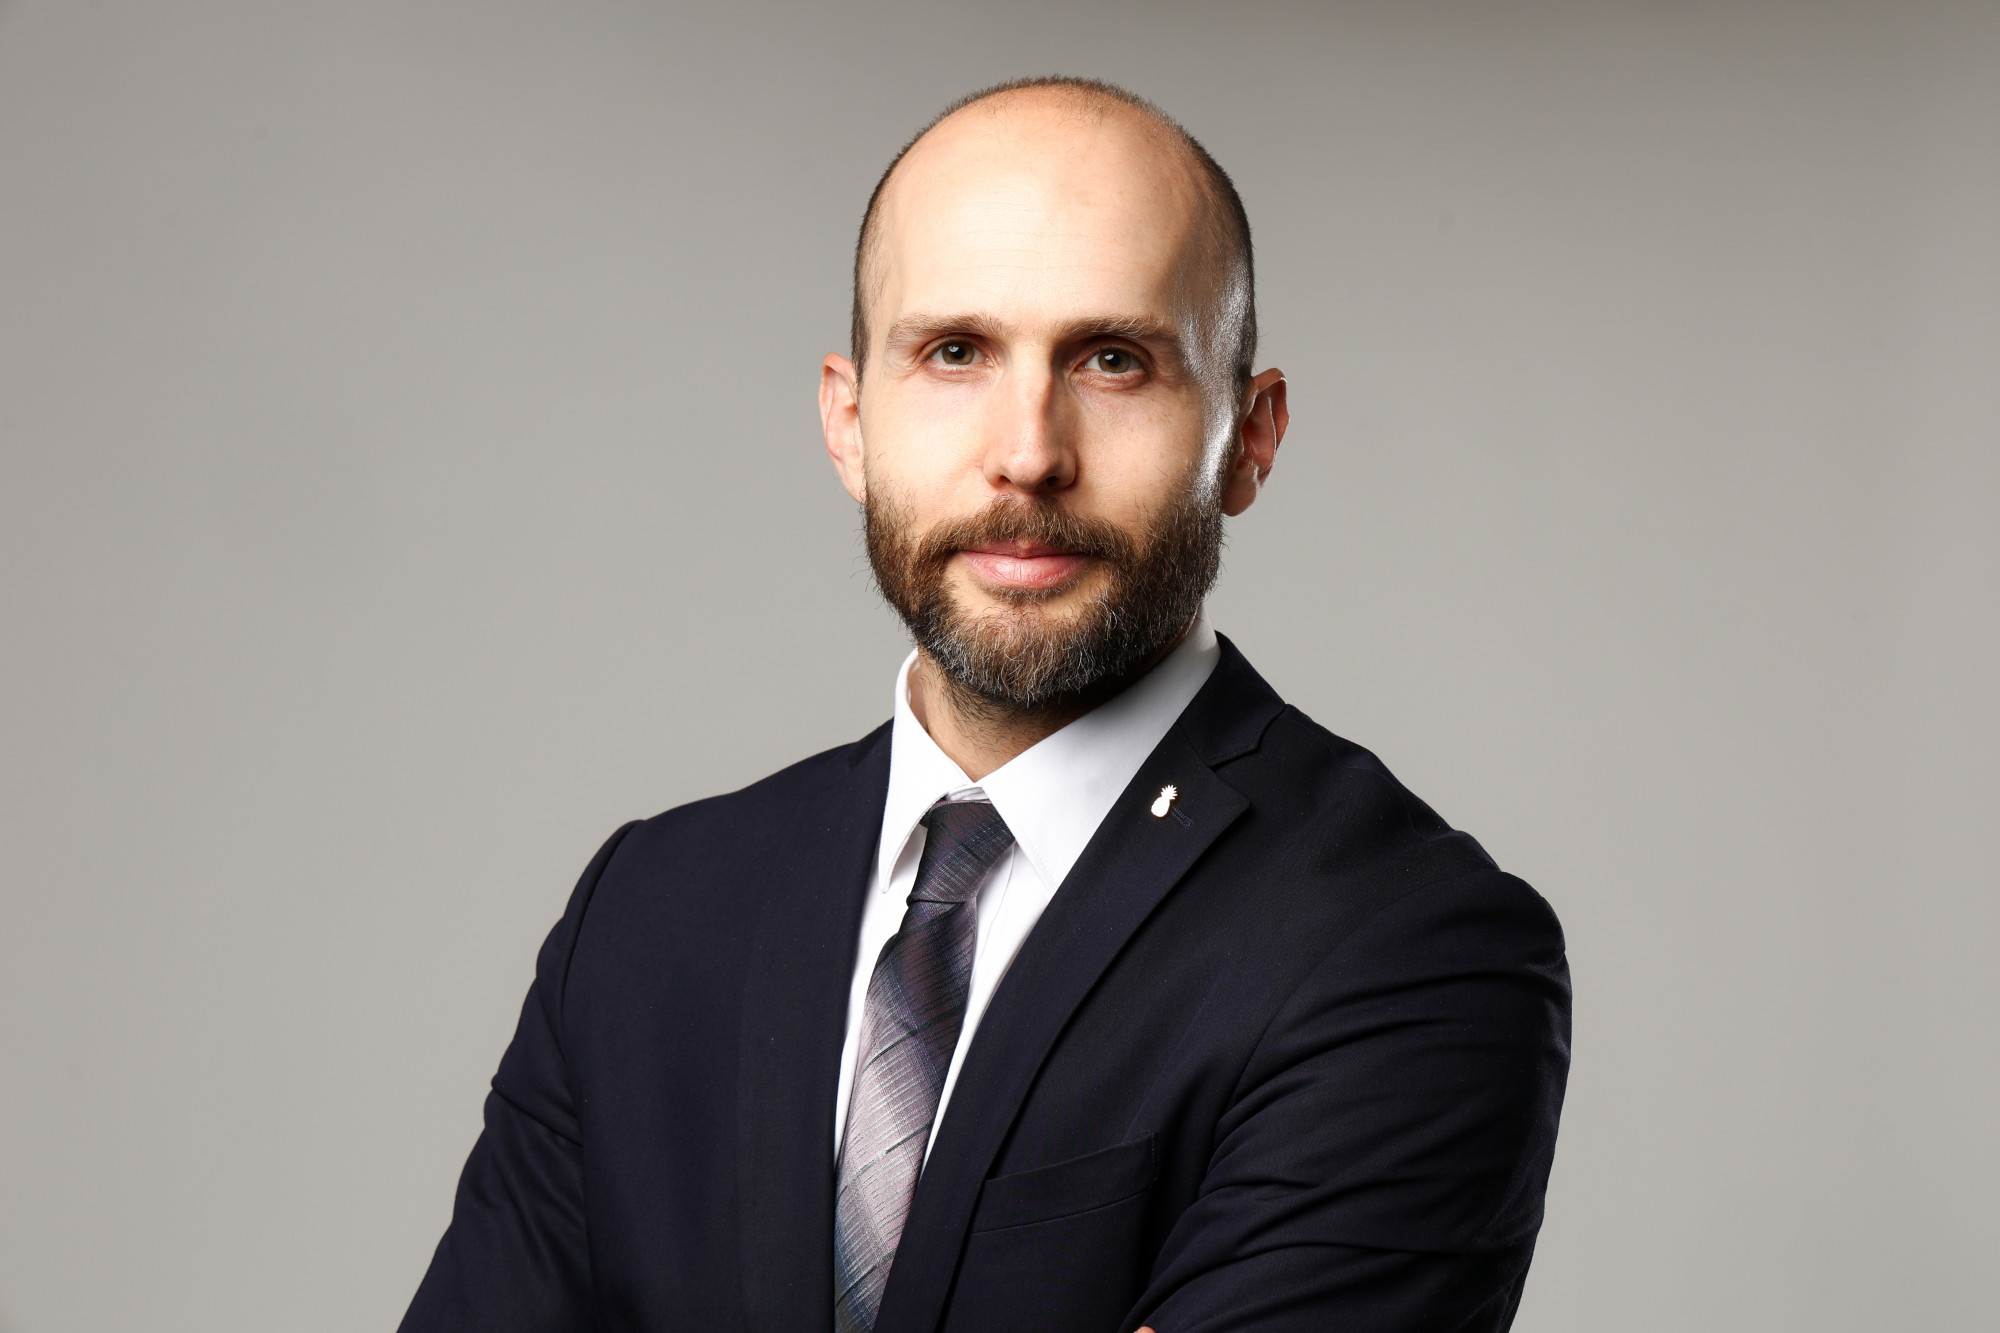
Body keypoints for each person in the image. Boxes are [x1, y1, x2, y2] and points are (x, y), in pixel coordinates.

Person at [400, 76, 1571, 1333]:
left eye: (1112, 360)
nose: (1027, 451)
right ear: (849, 423)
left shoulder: (1409, 952)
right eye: (953, 353)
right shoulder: (648, 914)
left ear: (1248, 435)